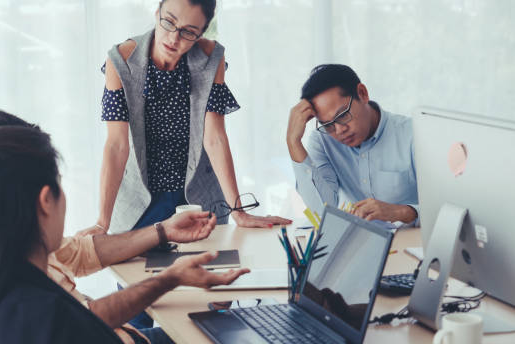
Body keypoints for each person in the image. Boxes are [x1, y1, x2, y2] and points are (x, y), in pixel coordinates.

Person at [0, 109, 241, 343]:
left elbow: (78, 253)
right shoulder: (31, 302)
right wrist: (170, 279)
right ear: (46, 199)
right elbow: (78, 322)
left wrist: (162, 230)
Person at [98, 0, 291, 240]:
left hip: (196, 200)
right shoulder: (120, 60)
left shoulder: (211, 58)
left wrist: (238, 211)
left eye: (188, 31)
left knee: (204, 273)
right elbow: (117, 146)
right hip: (139, 205)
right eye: (168, 21)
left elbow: (215, 139)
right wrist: (101, 223)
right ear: (157, 13)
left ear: (201, 33)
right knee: (139, 276)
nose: (173, 38)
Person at [286, 64, 418, 225]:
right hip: (358, 246)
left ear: (362, 94)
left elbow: (450, 210)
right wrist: (293, 142)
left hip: (411, 244)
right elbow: (321, 212)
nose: (339, 130)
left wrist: (402, 212)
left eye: (342, 115)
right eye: (328, 125)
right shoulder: (323, 140)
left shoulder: (414, 135)